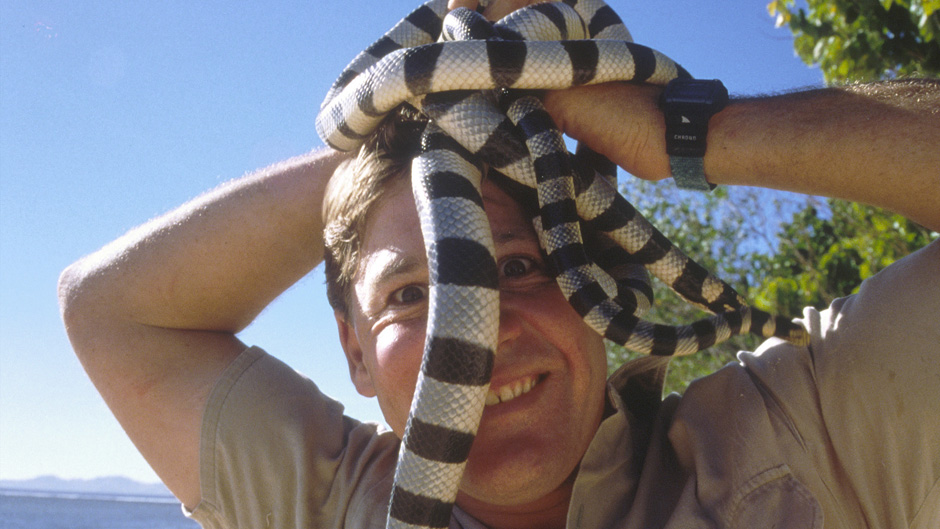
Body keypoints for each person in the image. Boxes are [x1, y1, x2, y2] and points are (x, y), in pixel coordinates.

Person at [58, 1, 939, 527]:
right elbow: (107, 310)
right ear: (355, 350)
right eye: (408, 293)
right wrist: (430, 102)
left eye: (517, 266)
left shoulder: (812, 433)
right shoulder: (325, 503)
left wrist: (687, 132)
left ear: (597, 286)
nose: (474, 326)